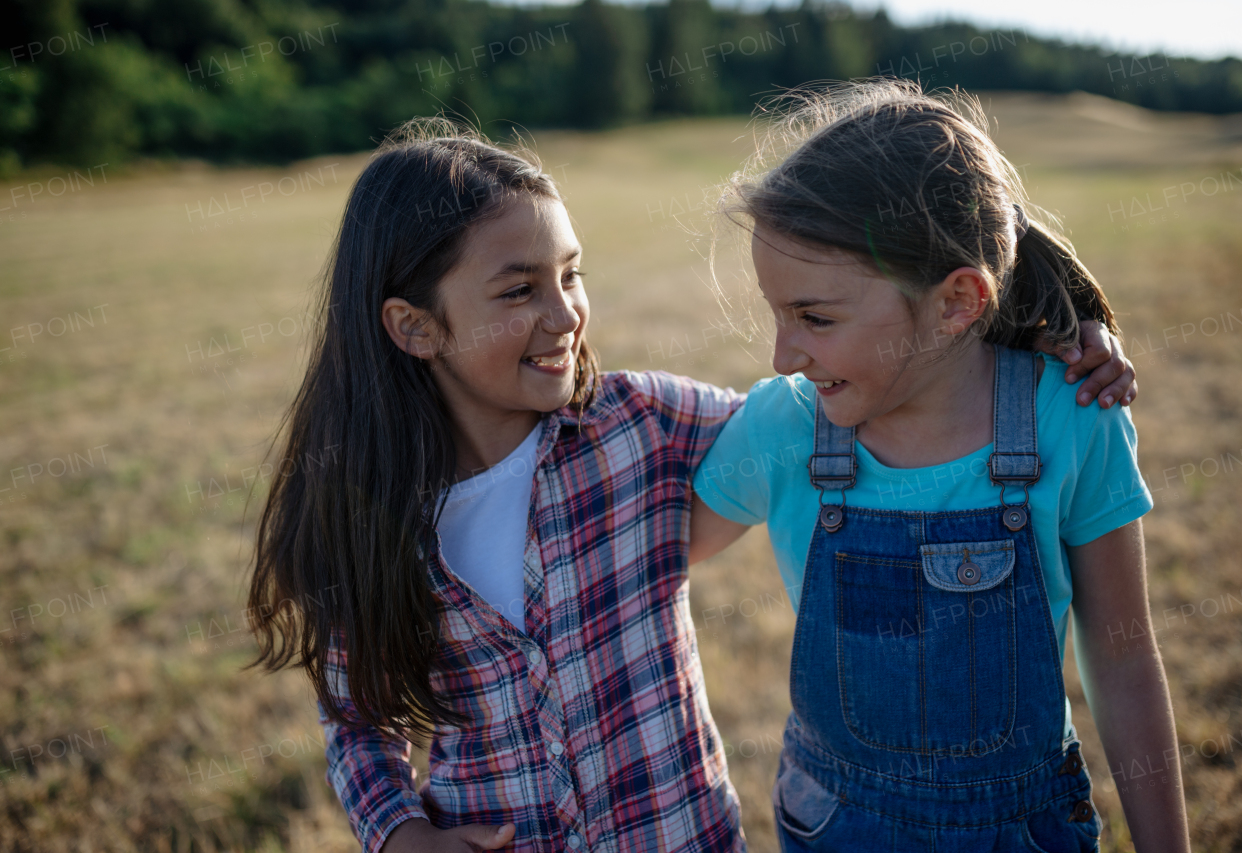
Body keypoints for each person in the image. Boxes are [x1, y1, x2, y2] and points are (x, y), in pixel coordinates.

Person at [245, 115, 1137, 853]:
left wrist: (1051, 328)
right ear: (413, 326)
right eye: (518, 291)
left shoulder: (638, 426)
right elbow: (358, 718)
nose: (564, 316)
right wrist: (398, 829)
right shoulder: (362, 513)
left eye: (571, 274)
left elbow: (845, 393)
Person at [690, 81, 1187, 853]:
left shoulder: (1071, 414)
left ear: (958, 302)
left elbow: (1122, 653)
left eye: (814, 317)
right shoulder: (787, 422)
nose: (783, 355)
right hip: (835, 827)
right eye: (777, 313)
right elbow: (652, 554)